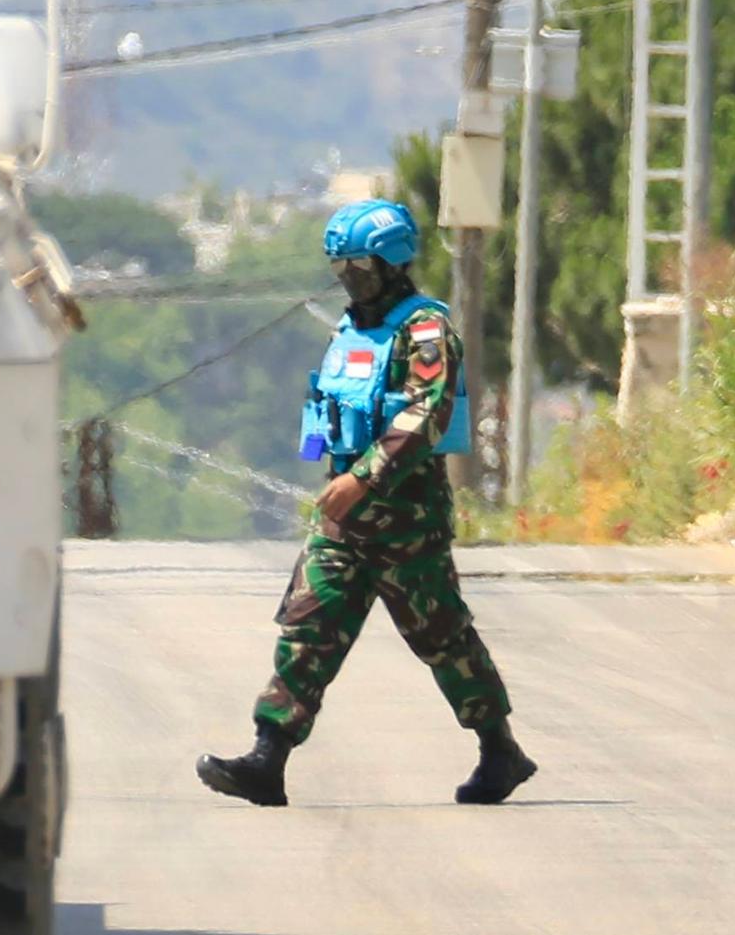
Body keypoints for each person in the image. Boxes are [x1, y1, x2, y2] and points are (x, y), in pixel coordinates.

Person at [197, 198, 536, 809]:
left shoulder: (424, 329)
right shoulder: (351, 330)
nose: (347, 279)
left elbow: (425, 412)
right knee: (308, 628)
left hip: (406, 521)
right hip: (345, 523)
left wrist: (366, 479)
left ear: (390, 263)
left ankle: (499, 748)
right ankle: (266, 759)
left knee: (443, 640)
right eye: (339, 268)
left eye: (357, 266)